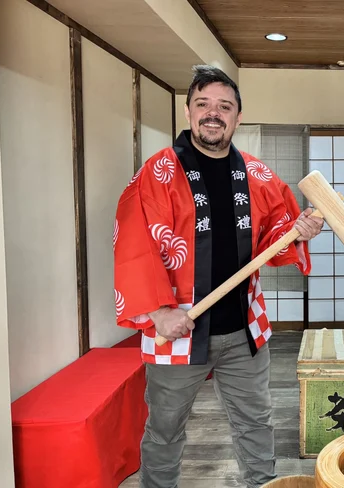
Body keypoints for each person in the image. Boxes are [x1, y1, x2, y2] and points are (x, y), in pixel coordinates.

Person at [112, 65, 324, 488]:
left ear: (237, 117)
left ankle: (263, 484)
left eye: (224, 106)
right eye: (203, 104)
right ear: (188, 112)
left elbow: (274, 236)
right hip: (178, 328)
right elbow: (133, 244)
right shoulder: (157, 174)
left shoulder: (257, 175)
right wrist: (159, 312)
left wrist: (298, 231)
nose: (213, 113)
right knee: (165, 429)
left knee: (256, 422)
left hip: (244, 328)